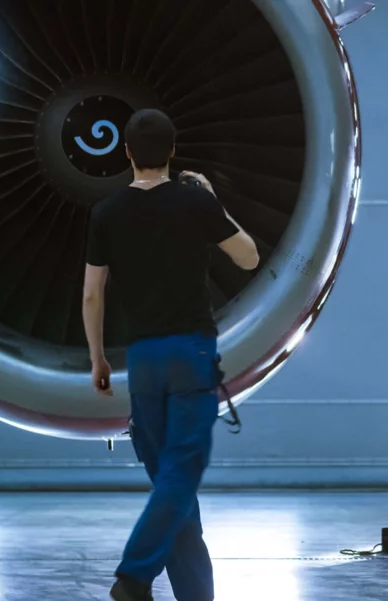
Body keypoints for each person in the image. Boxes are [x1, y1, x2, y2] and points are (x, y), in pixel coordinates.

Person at [82, 108, 260, 601]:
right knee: (180, 477)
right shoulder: (194, 203)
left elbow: (93, 292)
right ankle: (134, 576)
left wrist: (98, 358)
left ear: (127, 154)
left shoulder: (107, 212)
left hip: (142, 361)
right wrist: (212, 201)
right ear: (173, 151)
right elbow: (248, 256)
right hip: (190, 352)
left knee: (173, 486)